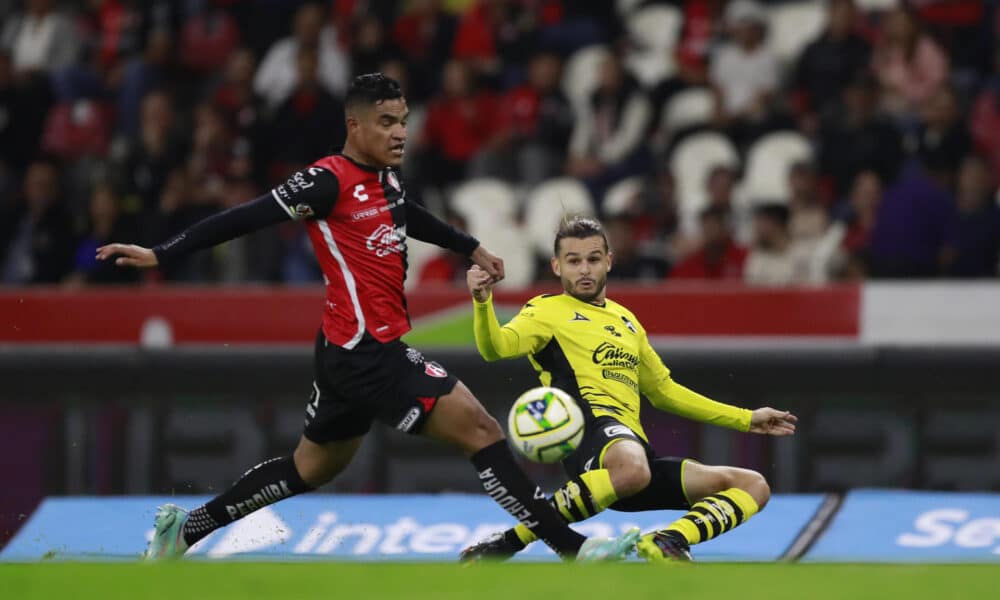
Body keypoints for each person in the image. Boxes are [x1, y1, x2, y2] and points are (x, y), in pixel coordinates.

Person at [97, 73, 637, 562]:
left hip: (343, 351)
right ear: (354, 126)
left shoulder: (388, 178)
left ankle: (185, 530)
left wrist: (469, 247)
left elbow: (412, 216)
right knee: (480, 429)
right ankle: (572, 548)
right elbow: (245, 217)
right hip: (368, 351)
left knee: (310, 469)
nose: (399, 133)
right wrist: (161, 253)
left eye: (402, 121)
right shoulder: (324, 182)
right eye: (386, 123)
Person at [461, 216, 797, 563]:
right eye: (573, 261)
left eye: (593, 258)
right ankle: (510, 541)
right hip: (590, 436)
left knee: (752, 485)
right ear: (557, 266)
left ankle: (669, 540)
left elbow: (664, 391)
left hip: (634, 455)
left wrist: (746, 419)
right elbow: (496, 348)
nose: (584, 269)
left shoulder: (627, 320)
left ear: (608, 260)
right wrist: (482, 303)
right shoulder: (545, 310)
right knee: (633, 468)